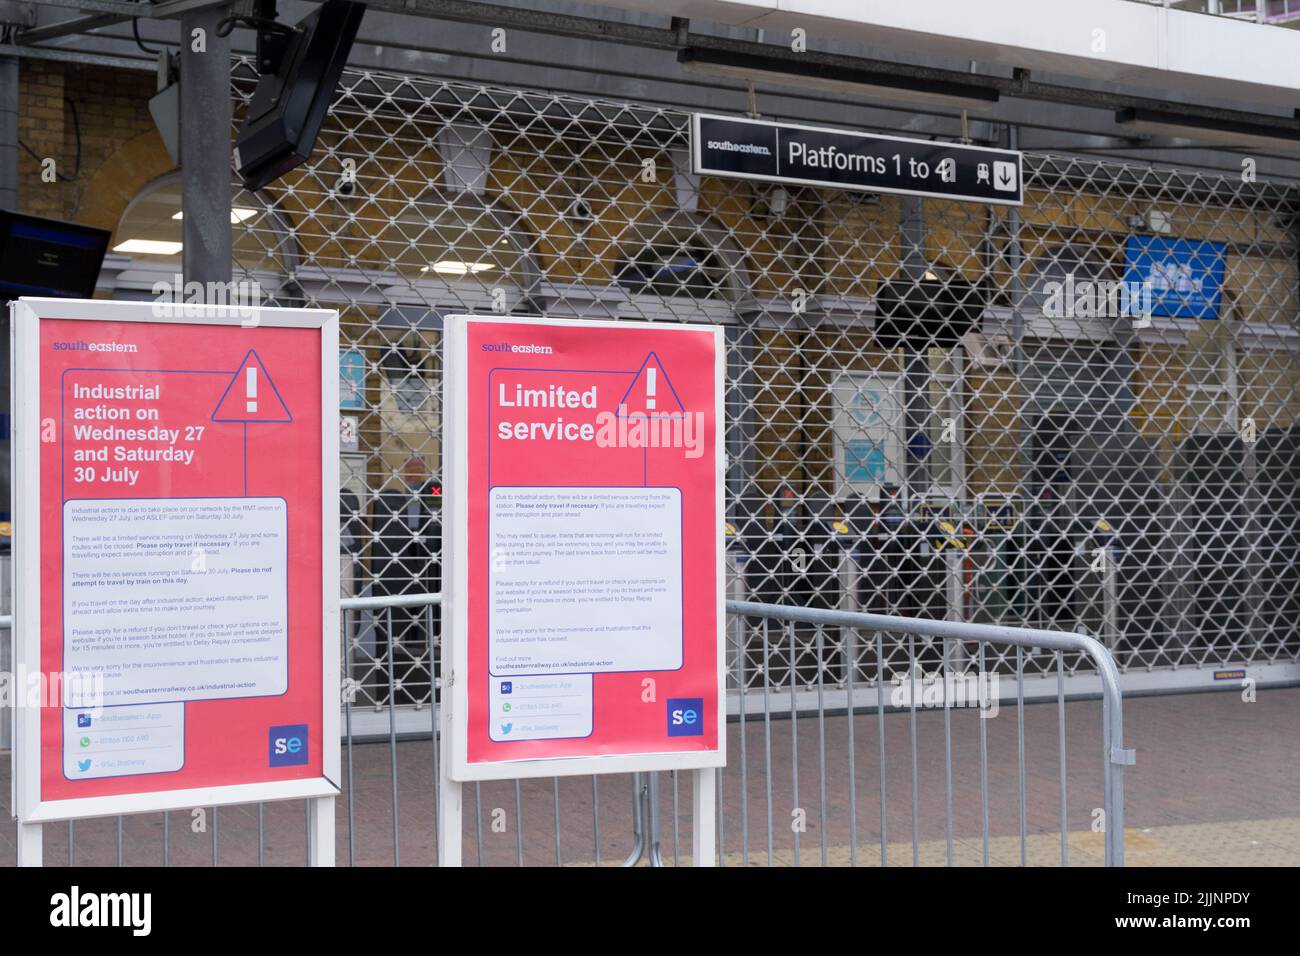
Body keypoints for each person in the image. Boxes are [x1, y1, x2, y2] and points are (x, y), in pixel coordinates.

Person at [369, 456, 442, 706]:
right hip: (397, 569)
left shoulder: (432, 495)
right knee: (400, 624)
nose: (414, 475)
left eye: (418, 470)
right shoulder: (394, 502)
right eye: (410, 470)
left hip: (429, 567)